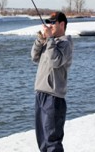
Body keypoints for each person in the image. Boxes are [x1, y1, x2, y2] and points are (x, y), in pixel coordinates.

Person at [31, 11, 73, 152]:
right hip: (40, 94)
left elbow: (55, 61)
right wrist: (40, 39)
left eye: (53, 23)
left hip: (54, 98)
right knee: (42, 140)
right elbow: (34, 57)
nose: (50, 26)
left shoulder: (65, 43)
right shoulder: (50, 43)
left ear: (62, 24)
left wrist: (49, 40)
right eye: (49, 22)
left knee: (52, 141)